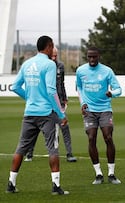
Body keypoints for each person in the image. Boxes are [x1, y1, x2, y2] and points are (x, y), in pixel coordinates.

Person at [7, 35, 69, 195]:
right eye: (52, 46)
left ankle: (11, 184)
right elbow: (51, 91)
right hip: (46, 113)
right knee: (53, 149)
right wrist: (61, 113)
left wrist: (29, 97)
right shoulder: (49, 64)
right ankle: (56, 186)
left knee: (20, 148)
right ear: (48, 46)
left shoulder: (27, 63)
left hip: (29, 113)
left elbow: (15, 87)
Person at [76, 46, 122, 185]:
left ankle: (112, 173)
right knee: (91, 138)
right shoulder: (81, 71)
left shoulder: (107, 71)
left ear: (98, 56)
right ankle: (98, 174)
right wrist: (82, 103)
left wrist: (112, 93)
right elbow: (79, 88)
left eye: (94, 57)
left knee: (108, 136)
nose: (91, 59)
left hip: (105, 109)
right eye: (89, 56)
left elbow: (119, 89)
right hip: (89, 110)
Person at [24, 47, 77, 163]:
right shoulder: (43, 66)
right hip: (44, 103)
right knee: (36, 128)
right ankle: (29, 153)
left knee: (64, 126)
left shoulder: (60, 66)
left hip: (58, 102)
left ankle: (69, 153)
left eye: (55, 56)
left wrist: (64, 98)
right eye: (52, 56)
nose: (54, 58)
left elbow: (61, 83)